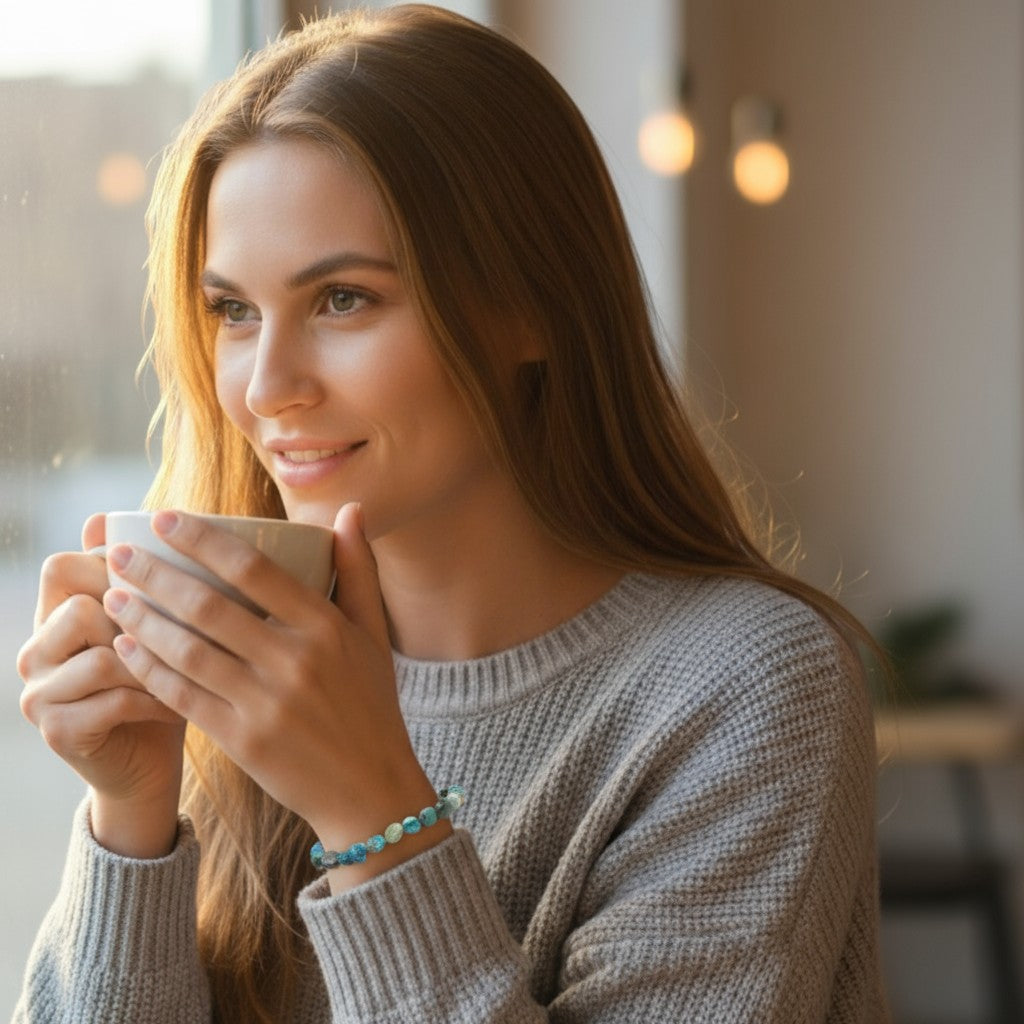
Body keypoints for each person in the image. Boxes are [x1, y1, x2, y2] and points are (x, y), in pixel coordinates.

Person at [13, 5, 890, 1022]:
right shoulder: (243, 667)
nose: (264, 386)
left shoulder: (745, 688)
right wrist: (131, 818)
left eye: (342, 299)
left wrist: (371, 810)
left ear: (528, 305)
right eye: (233, 312)